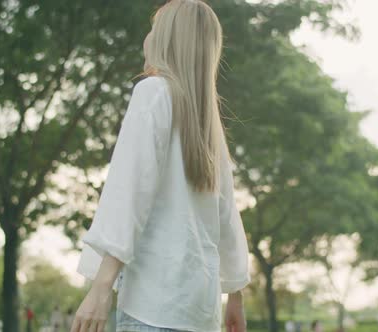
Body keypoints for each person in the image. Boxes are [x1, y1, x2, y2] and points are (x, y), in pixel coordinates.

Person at [72, 1, 251, 332]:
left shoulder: (153, 92)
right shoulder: (209, 124)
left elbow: (129, 192)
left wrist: (100, 288)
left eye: (153, 30)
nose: (146, 38)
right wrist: (235, 296)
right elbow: (227, 218)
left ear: (166, 41)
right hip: (201, 313)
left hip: (151, 308)